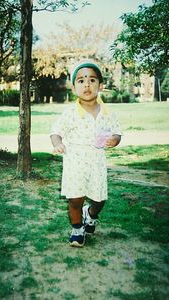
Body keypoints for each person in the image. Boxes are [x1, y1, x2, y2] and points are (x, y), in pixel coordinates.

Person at [50, 60, 122, 247]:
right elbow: (56, 131)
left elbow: (117, 132)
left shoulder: (108, 112)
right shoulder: (70, 113)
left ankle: (90, 214)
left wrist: (115, 139)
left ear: (100, 85)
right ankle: (77, 229)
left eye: (92, 80)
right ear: (74, 88)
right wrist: (58, 144)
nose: (87, 84)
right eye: (81, 81)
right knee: (75, 199)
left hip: (97, 163)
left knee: (99, 199)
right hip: (75, 163)